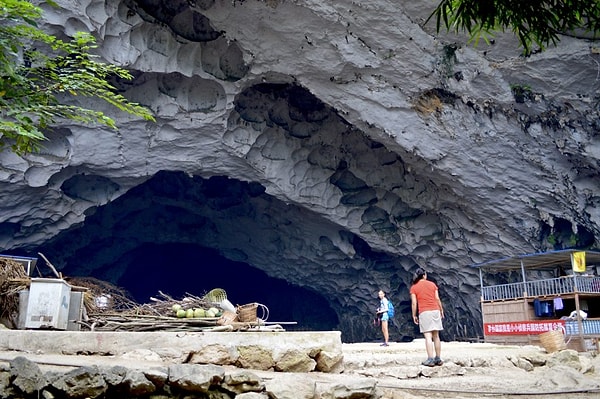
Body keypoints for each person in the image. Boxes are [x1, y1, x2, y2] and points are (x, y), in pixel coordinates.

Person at [410, 268, 444, 366]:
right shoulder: (432, 284)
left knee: (428, 336)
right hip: (435, 310)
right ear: (424, 275)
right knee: (436, 336)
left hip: (424, 312)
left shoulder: (414, 287)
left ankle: (430, 359)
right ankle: (438, 358)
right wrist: (441, 310)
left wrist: (414, 315)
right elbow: (437, 299)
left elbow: (414, 303)